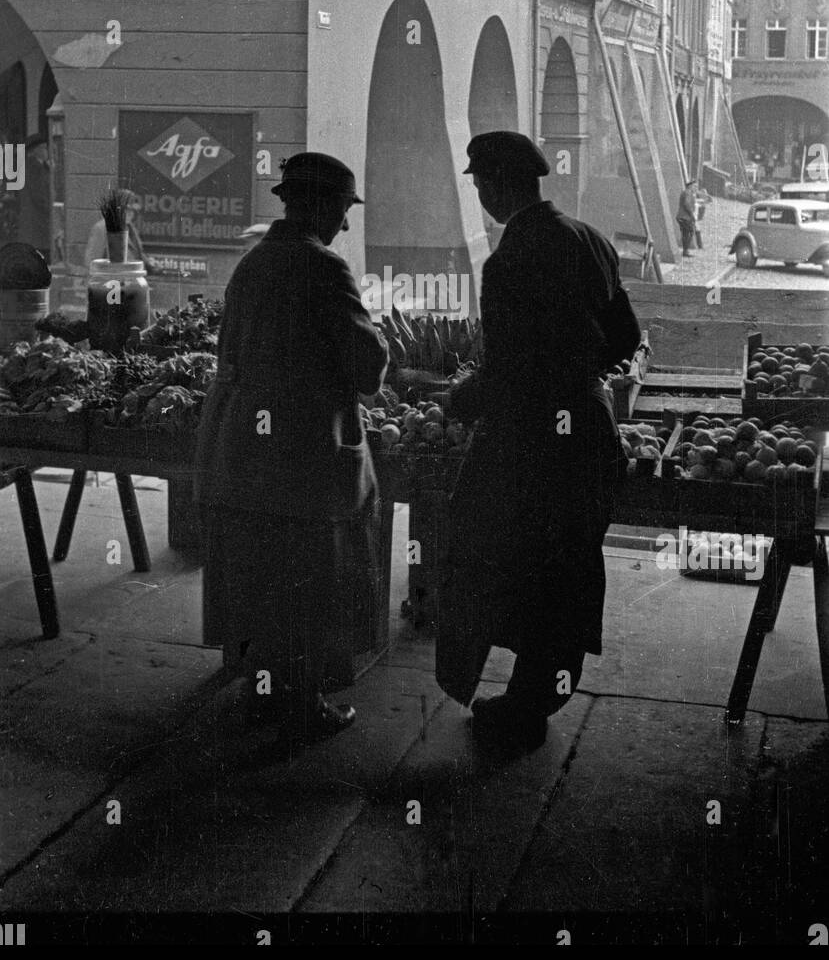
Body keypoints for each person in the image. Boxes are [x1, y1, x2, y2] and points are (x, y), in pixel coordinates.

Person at [436, 131, 642, 754]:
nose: (478, 194)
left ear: (497, 185)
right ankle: (542, 693)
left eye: (478, 184)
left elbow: (507, 370)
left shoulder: (508, 261)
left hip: (534, 440)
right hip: (589, 426)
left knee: (516, 560)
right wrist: (579, 371)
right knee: (570, 562)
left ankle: (523, 707)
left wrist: (458, 400)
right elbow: (624, 337)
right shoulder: (591, 239)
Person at [193, 153, 388, 750]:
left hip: (246, 448)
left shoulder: (251, 265)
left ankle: (262, 695)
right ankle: (302, 710)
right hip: (303, 453)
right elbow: (367, 366)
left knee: (260, 576)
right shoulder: (323, 266)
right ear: (323, 208)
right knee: (310, 579)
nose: (346, 227)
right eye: (342, 212)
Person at [84, 194, 156, 272]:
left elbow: (136, 254)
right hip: (112, 280)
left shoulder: (130, 228)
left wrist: (148, 262)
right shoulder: (102, 228)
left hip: (131, 279)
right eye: (126, 210)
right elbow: (92, 262)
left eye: (132, 211)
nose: (130, 214)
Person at [15, 135, 52, 262]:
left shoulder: (33, 165)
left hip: (33, 219)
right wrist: (50, 211)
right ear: (36, 150)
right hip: (37, 219)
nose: (47, 151)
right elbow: (39, 195)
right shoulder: (35, 167)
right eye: (44, 148)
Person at [676, 179, 697, 257]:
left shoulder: (687, 192)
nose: (696, 188)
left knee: (686, 233)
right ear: (690, 186)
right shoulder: (688, 192)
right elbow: (687, 204)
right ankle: (685, 251)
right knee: (690, 231)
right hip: (685, 217)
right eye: (695, 186)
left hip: (682, 216)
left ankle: (685, 251)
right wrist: (692, 215)